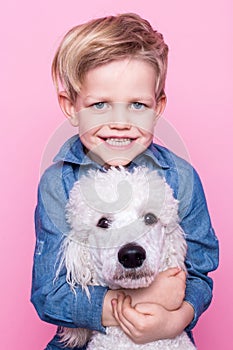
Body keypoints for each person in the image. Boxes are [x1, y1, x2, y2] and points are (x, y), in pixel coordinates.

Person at [31, 13, 219, 349]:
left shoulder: (180, 177)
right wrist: (142, 298)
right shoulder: (58, 183)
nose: (120, 122)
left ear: (157, 106)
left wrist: (178, 316)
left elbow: (199, 273)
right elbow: (49, 294)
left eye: (137, 105)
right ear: (71, 107)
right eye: (100, 104)